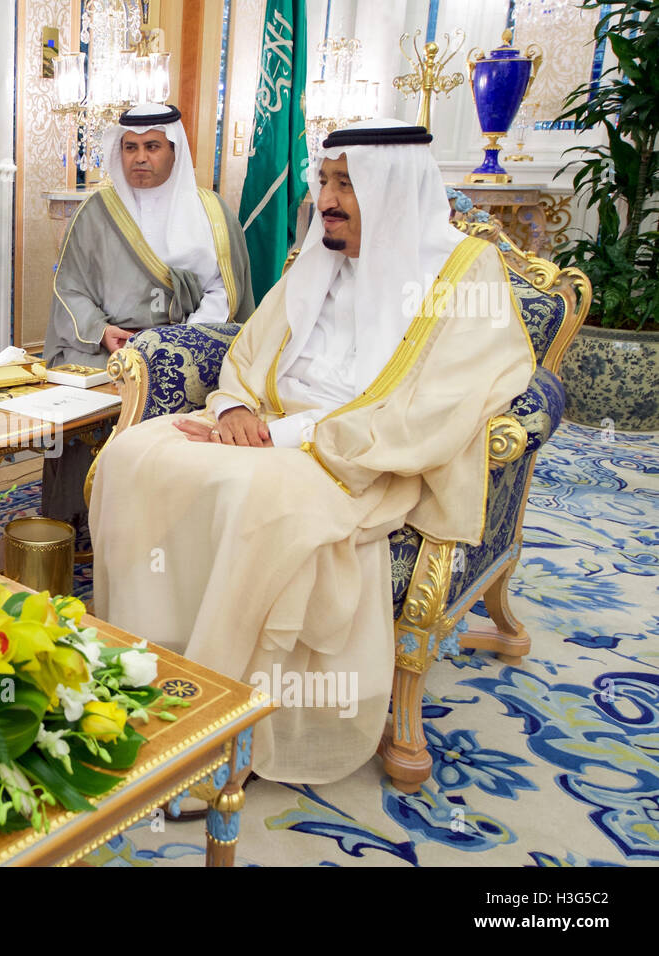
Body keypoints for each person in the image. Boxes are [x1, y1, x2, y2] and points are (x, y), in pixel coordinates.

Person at [89, 120, 535, 783]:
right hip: (265, 425)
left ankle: (215, 722)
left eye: (347, 185)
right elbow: (249, 351)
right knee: (134, 457)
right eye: (324, 181)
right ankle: (149, 669)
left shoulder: (463, 274)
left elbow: (437, 406)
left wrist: (284, 436)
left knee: (256, 498)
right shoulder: (319, 255)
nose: (327, 199)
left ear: (391, 189)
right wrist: (236, 407)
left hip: (366, 457)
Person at [42, 103, 255, 537]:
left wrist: (184, 341)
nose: (140, 158)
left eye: (152, 147)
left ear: (174, 151)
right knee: (82, 412)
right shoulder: (97, 212)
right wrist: (103, 332)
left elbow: (225, 290)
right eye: (131, 147)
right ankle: (81, 519)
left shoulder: (213, 214)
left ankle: (168, 528)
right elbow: (70, 287)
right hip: (110, 353)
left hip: (189, 348)